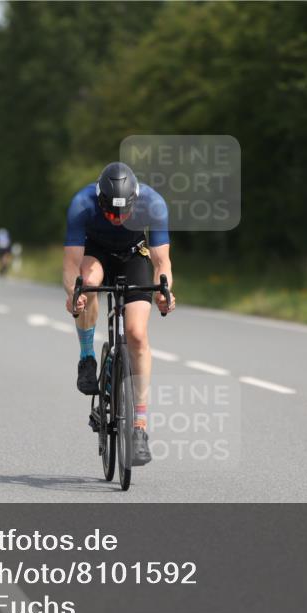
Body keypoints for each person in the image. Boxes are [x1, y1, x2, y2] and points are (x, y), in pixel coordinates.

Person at [63, 162, 175, 466]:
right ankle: (87, 357)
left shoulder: (153, 202)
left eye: (123, 213)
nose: (117, 219)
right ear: (100, 201)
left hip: (134, 255)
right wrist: (74, 293)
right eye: (110, 214)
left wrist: (164, 292)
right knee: (86, 286)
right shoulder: (81, 203)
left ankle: (139, 428)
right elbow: (71, 264)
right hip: (95, 254)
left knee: (137, 334)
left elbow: (162, 261)